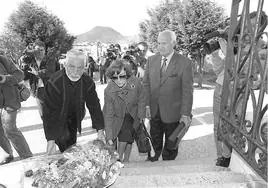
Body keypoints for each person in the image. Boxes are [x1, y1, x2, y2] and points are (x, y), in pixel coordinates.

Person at [143, 30, 193, 161]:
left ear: (174, 43)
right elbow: (146, 85)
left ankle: (168, 163)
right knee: (155, 138)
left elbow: (187, 91)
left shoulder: (185, 63)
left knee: (171, 144)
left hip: (173, 112)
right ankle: (154, 159)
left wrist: (185, 114)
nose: (160, 46)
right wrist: (146, 105)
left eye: (164, 43)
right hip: (154, 110)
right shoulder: (151, 60)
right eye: (159, 43)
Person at [42, 49, 105, 154]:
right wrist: (50, 139)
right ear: (65, 65)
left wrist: (100, 130)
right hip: (58, 115)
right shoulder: (54, 83)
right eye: (72, 66)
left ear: (84, 68)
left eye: (80, 67)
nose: (76, 71)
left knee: (71, 142)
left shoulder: (87, 82)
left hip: (76, 115)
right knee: (63, 139)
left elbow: (94, 106)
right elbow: (49, 112)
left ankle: (68, 159)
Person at [103, 59, 145, 162]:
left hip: (132, 114)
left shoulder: (135, 82)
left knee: (128, 137)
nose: (119, 80)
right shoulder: (109, 91)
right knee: (122, 138)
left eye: (122, 76)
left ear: (127, 74)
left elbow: (142, 97)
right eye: (115, 78)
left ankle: (125, 160)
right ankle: (119, 159)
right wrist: (108, 136)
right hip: (116, 116)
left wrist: (140, 115)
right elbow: (108, 114)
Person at [0, 54, 32, 165]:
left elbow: (19, 74)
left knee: (10, 129)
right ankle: (8, 153)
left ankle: (27, 158)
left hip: (10, 101)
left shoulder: (2, 59)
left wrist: (6, 78)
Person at [21, 39, 58, 119]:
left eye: (41, 50)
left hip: (50, 89)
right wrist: (24, 67)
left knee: (52, 112)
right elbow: (26, 76)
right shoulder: (31, 61)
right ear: (34, 50)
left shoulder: (50, 59)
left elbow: (49, 72)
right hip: (37, 90)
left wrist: (36, 73)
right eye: (37, 49)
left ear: (45, 50)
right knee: (42, 115)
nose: (40, 52)